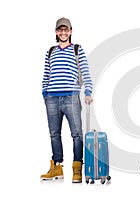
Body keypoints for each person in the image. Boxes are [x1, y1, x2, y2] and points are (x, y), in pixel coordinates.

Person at [40, 17, 93, 183]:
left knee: (77, 134)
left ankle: (77, 168)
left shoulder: (77, 49)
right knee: (54, 134)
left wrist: (88, 92)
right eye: (60, 30)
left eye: (66, 30)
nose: (63, 33)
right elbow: (46, 75)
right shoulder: (50, 52)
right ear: (56, 32)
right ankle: (57, 167)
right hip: (52, 98)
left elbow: (85, 72)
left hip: (71, 97)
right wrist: (44, 93)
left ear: (70, 31)